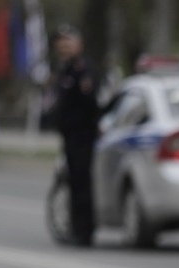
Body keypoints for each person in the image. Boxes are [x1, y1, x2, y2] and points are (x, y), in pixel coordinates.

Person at [51, 25, 99, 246]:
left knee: (81, 184)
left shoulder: (83, 69)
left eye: (68, 43)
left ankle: (84, 231)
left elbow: (90, 104)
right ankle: (76, 227)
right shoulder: (66, 69)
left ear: (79, 45)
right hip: (70, 136)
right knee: (73, 182)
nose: (64, 47)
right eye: (61, 44)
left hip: (82, 135)